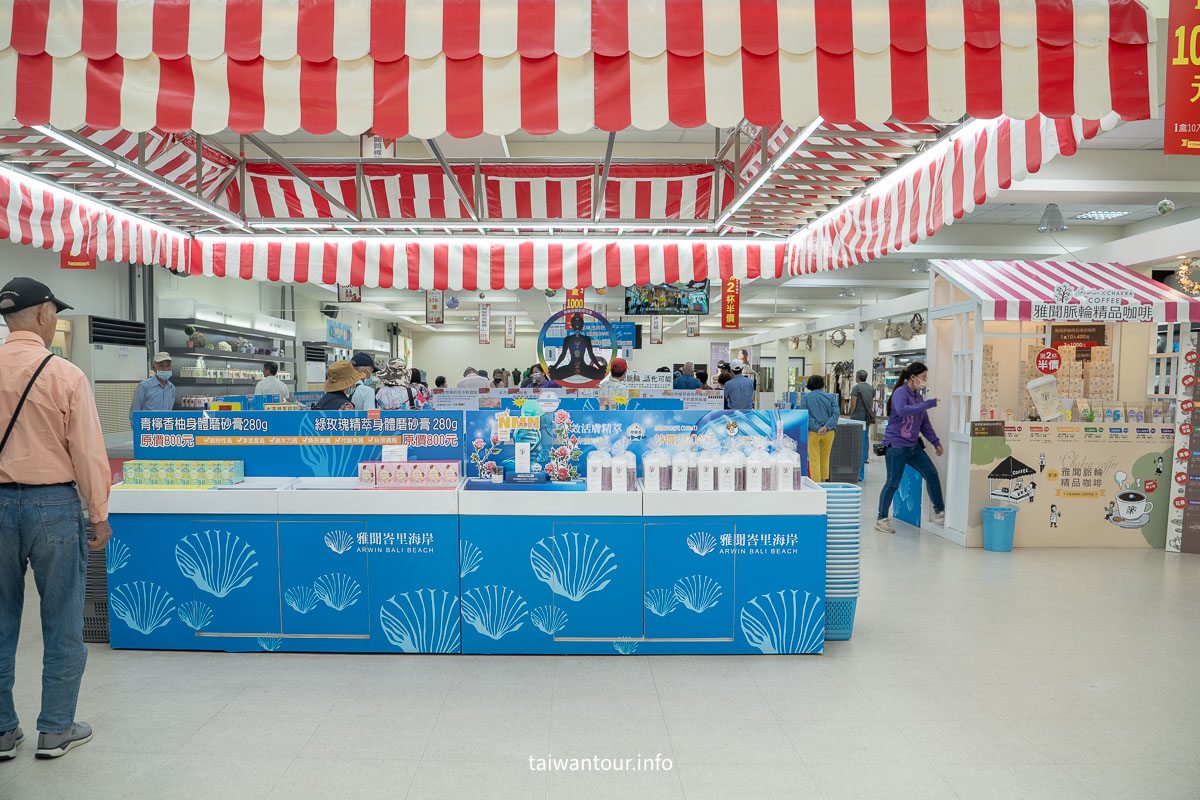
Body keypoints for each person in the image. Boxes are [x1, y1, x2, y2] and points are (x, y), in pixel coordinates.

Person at [0, 277, 111, 759]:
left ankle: (3, 731)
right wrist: (100, 514)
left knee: (1, 623)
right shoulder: (64, 374)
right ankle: (56, 728)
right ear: (44, 314)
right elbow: (87, 453)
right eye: (55, 313)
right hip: (53, 507)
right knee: (62, 619)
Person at [875, 362, 946, 534]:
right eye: (923, 377)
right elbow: (902, 410)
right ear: (912, 377)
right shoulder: (900, 393)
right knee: (893, 482)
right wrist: (928, 404)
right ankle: (881, 519)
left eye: (926, 377)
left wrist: (936, 442)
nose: (925, 381)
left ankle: (939, 510)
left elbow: (924, 424)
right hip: (896, 447)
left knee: (931, 473)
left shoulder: (918, 397)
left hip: (913, 448)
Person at [800, 375, 840, 482]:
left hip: (813, 432)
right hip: (829, 432)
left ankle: (816, 483)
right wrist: (826, 427)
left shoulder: (805, 398)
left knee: (814, 458)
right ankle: (823, 482)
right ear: (822, 384)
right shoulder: (831, 397)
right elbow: (836, 414)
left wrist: (817, 428)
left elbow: (805, 415)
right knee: (825, 457)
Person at [549, 312, 608, 382]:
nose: (577, 325)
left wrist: (599, 367)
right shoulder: (568, 339)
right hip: (571, 367)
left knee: (600, 374)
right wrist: (555, 367)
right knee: (553, 374)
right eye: (575, 323)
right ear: (572, 325)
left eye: (579, 323)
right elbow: (563, 354)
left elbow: (591, 355)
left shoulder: (586, 339)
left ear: (582, 325)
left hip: (583, 367)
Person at [130, 351, 176, 422]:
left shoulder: (171, 388)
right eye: (161, 366)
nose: (166, 369)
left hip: (165, 429)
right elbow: (134, 413)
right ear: (154, 368)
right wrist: (137, 431)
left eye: (168, 366)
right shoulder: (144, 386)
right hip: (147, 429)